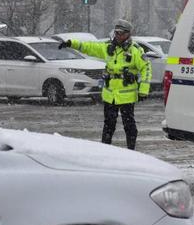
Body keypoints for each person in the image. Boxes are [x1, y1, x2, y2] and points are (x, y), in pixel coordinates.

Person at [58, 19, 151, 150]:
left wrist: (143, 90)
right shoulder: (109, 48)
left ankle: (131, 151)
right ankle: (105, 150)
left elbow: (146, 68)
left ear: (128, 34)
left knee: (129, 125)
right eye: (116, 33)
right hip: (109, 94)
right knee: (108, 124)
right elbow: (89, 47)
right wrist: (71, 43)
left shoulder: (135, 50)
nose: (117, 36)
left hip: (127, 95)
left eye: (120, 33)